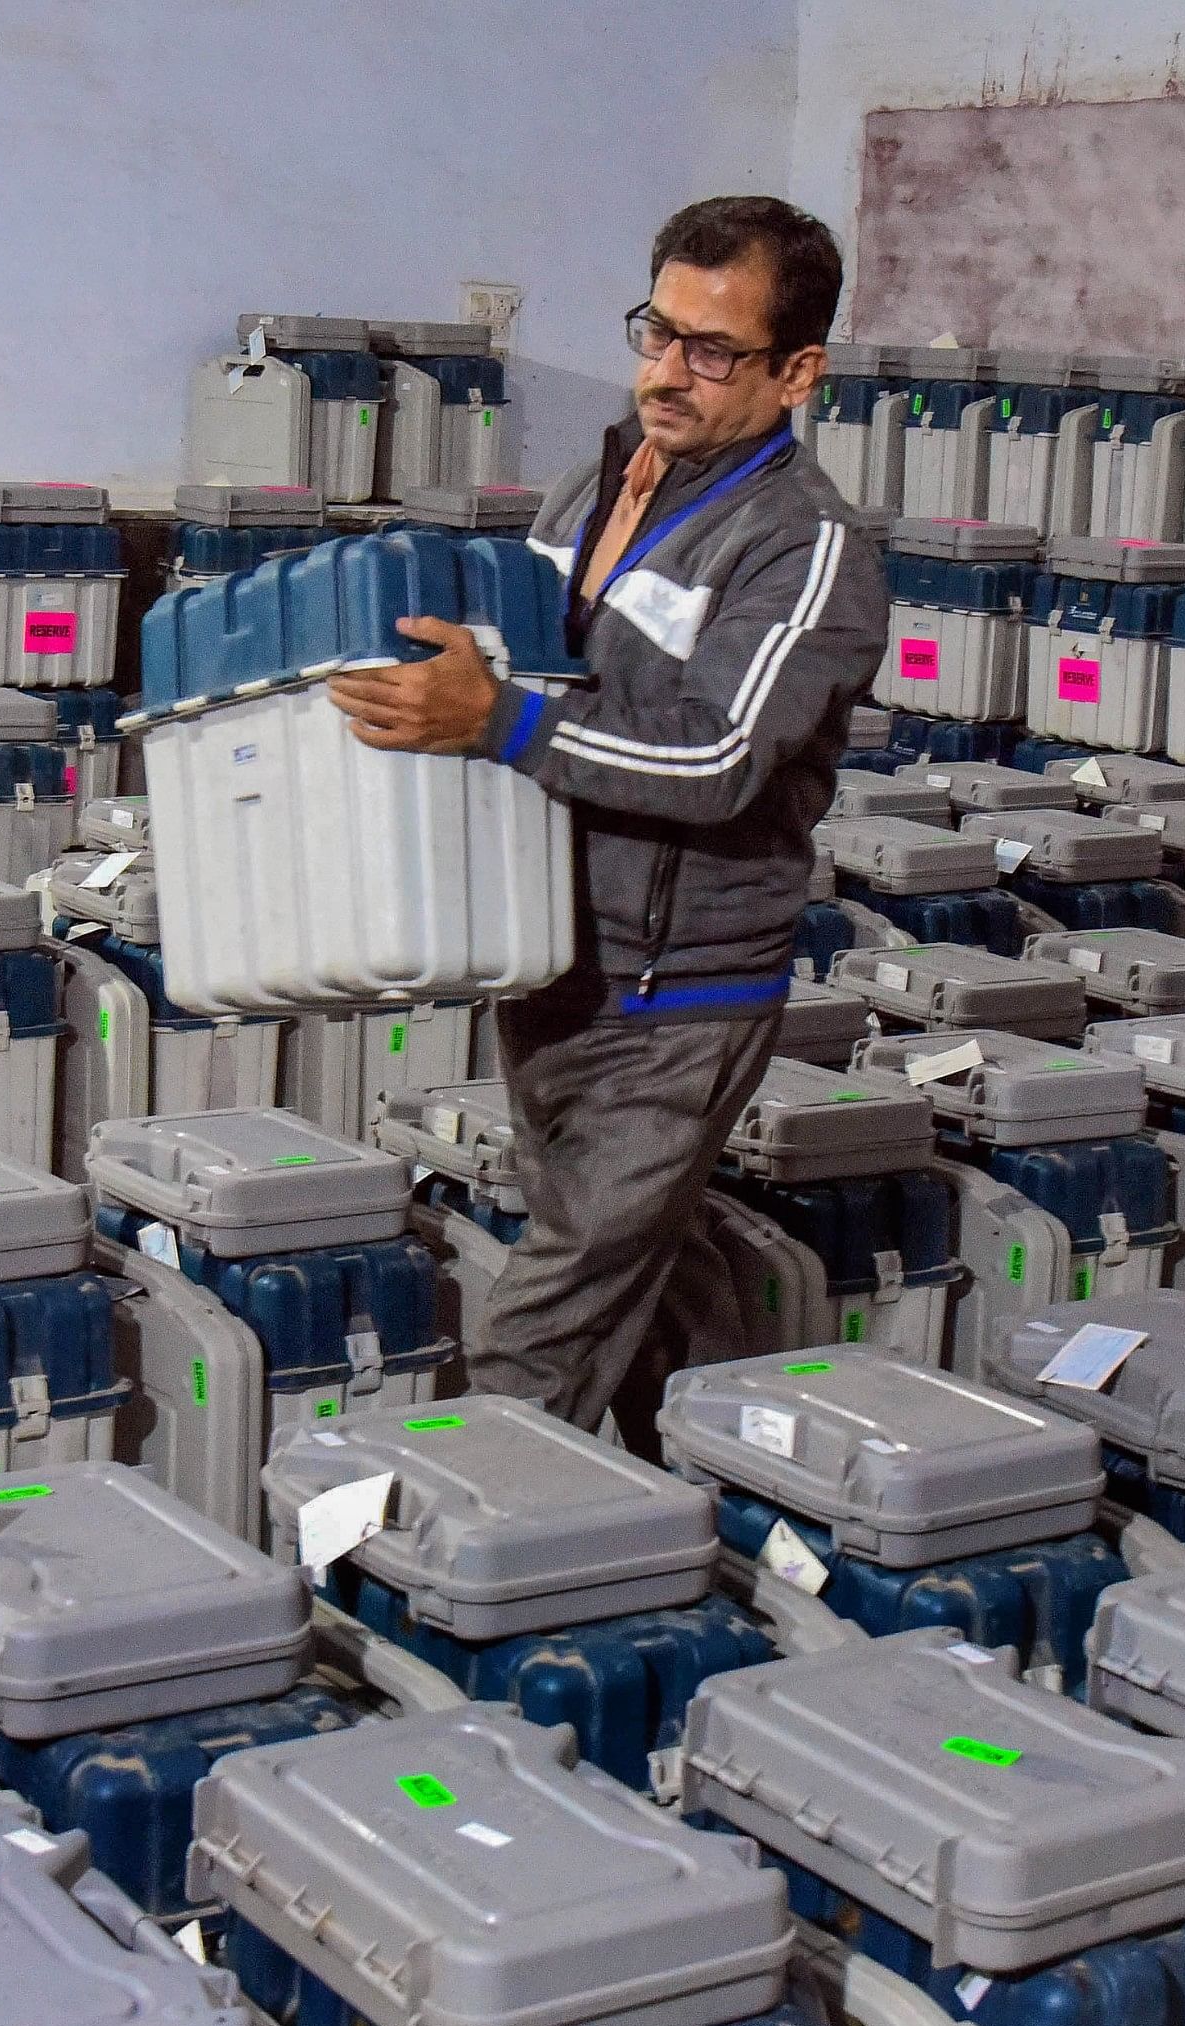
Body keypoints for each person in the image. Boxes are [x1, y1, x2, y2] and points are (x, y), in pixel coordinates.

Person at [329, 194, 888, 1438]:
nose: (665, 373)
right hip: (557, 961)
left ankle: (449, 1568)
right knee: (641, 1267)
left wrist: (499, 724)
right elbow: (536, 669)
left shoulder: (804, 550)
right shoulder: (599, 482)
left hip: (675, 995)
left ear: (798, 372)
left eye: (711, 350)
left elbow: (721, 761)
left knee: (549, 1318)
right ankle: (730, 1487)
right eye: (656, 331)